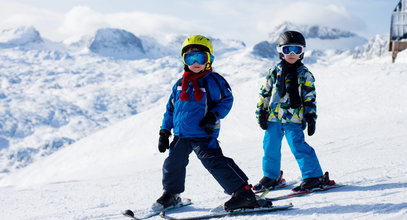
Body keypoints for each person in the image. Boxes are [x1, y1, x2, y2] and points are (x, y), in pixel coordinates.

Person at [154, 35, 258, 212]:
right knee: (173, 163)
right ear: (184, 60)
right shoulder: (180, 84)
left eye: (200, 57)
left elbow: (227, 99)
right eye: (190, 57)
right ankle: (172, 194)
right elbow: (171, 109)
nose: (195, 62)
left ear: (209, 59)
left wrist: (213, 115)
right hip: (181, 134)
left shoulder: (213, 80)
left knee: (214, 162)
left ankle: (244, 193)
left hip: (203, 132)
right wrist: (164, 131)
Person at [254, 31, 327, 192]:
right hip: (273, 117)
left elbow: (309, 96)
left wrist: (310, 116)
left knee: (298, 146)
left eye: (297, 50)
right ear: (281, 51)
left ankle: (313, 176)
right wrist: (261, 112)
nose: (292, 54)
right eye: (288, 50)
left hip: (294, 118)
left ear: (302, 52)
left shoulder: (304, 74)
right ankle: (271, 176)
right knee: (270, 147)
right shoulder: (274, 71)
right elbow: (265, 92)